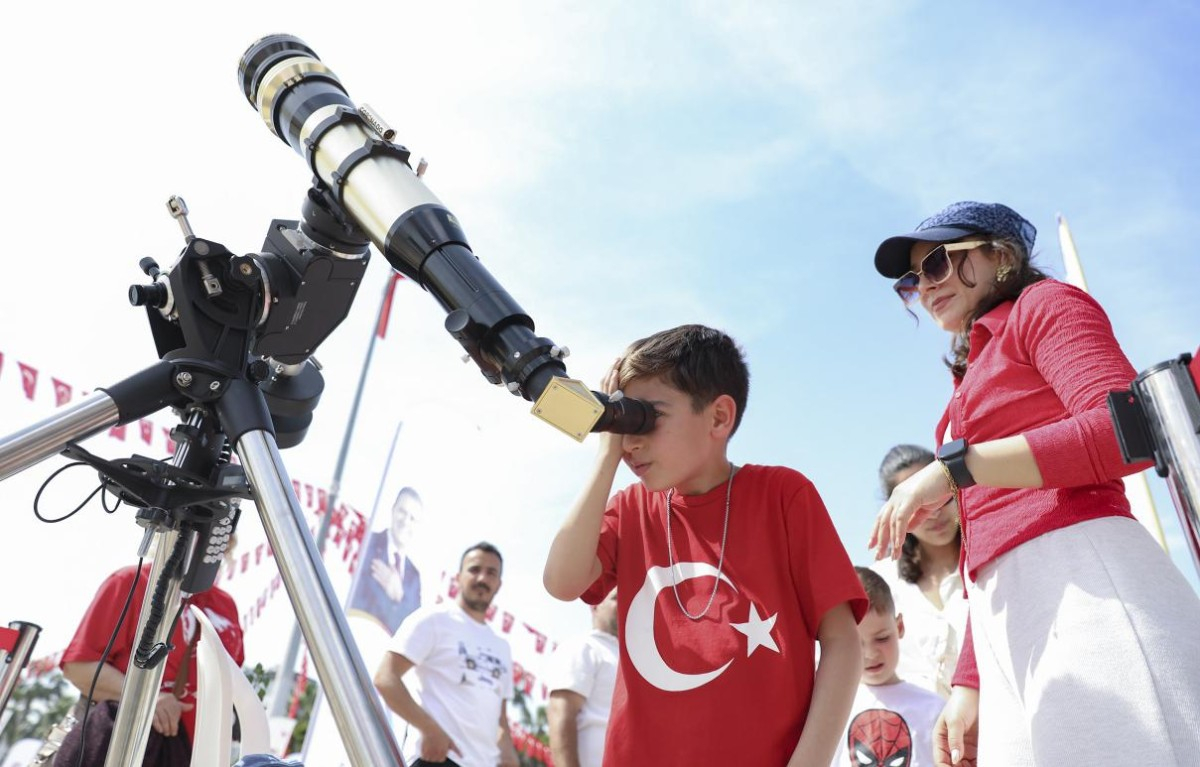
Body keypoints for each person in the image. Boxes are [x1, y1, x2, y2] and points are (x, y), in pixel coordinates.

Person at [868, 201, 1200, 766]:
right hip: (1007, 617)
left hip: (1082, 578)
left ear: (1000, 255)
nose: (923, 287)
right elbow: (984, 545)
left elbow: (1126, 432)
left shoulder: (1044, 305)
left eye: (938, 264)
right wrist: (971, 681)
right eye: (910, 280)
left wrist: (956, 466)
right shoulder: (968, 372)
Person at [543, 323, 867, 766]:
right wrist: (605, 453)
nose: (632, 441)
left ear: (718, 417)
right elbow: (562, 581)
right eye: (624, 418)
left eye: (648, 417)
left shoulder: (782, 495)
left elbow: (843, 640)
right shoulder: (633, 507)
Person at [58, 558, 245, 762]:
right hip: (122, 750)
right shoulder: (131, 581)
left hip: (193, 757)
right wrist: (148, 698)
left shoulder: (226, 605)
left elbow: (233, 689)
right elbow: (79, 668)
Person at [373, 541, 519, 767]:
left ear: (498, 584)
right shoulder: (433, 619)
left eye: (491, 573)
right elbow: (385, 678)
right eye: (474, 569)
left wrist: (508, 754)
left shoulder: (502, 646)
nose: (482, 578)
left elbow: (500, 717)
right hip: (439, 758)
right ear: (458, 577)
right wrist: (429, 729)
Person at [871, 444, 967, 699]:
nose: (934, 513)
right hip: (917, 733)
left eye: (940, 496)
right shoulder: (883, 583)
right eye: (917, 503)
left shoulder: (988, 564)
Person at [830, 568, 945, 767]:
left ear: (899, 627)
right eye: (856, 644)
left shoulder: (934, 708)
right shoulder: (832, 708)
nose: (871, 654)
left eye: (882, 638)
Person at [545, 587, 619, 767]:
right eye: (616, 598)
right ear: (595, 606)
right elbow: (560, 713)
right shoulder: (582, 647)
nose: (624, 603)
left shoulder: (634, 658)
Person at [347, 486, 423, 635]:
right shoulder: (367, 545)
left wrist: (398, 596)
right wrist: (395, 602)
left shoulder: (414, 577)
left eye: (412, 518)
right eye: (402, 512)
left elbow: (410, 633)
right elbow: (356, 602)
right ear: (393, 510)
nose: (406, 522)